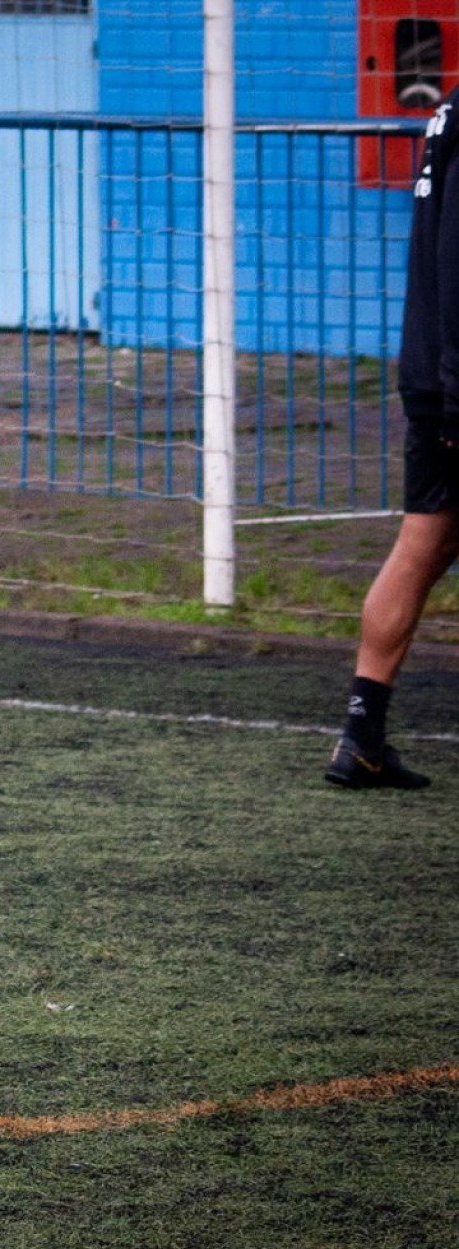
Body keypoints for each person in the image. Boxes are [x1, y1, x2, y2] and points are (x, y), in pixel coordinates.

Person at [328, 87, 459, 789]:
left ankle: (361, 736)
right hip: (452, 377)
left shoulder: (447, 111)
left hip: (431, 370)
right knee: (418, 549)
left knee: (422, 546)